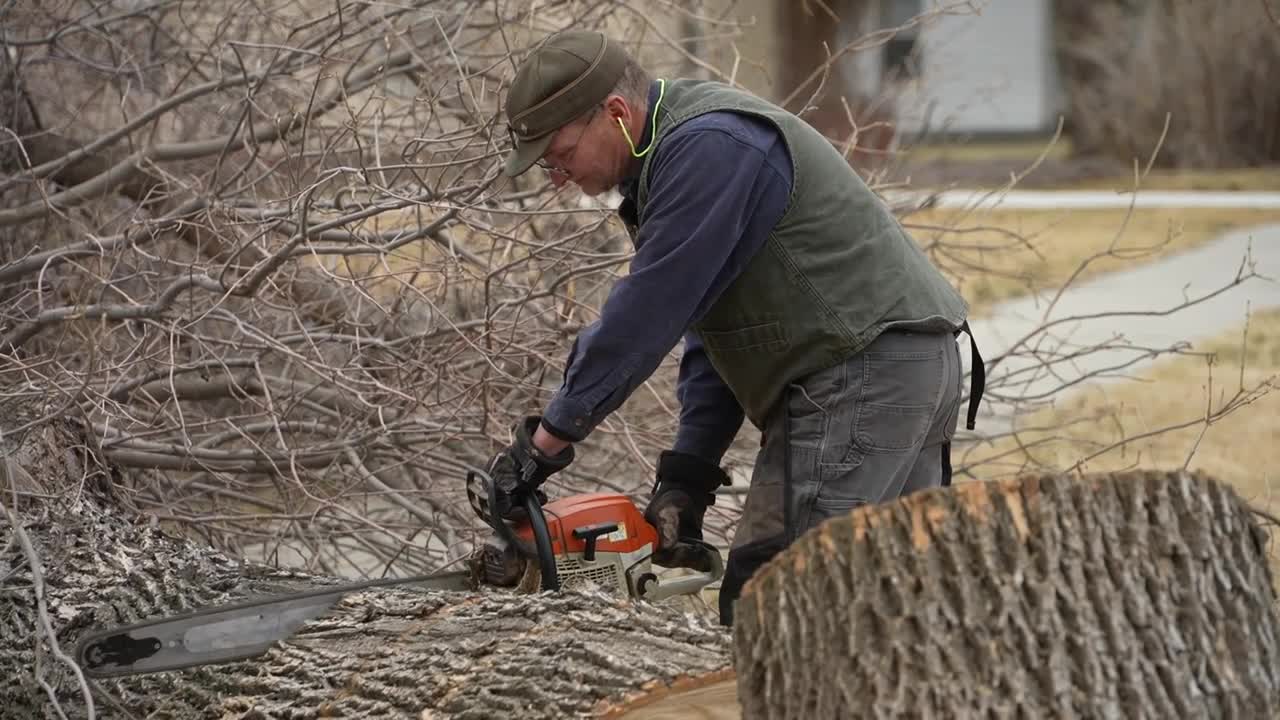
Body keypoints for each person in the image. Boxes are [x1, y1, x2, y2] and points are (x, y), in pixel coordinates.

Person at [473, 29, 984, 626]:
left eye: (560, 155)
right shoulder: (676, 152)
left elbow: (647, 311)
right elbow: (714, 325)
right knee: (882, 605)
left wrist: (547, 443)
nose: (557, 177)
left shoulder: (708, 146)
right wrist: (689, 472)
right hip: (895, 368)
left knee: (777, 604)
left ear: (614, 113)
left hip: (860, 376)